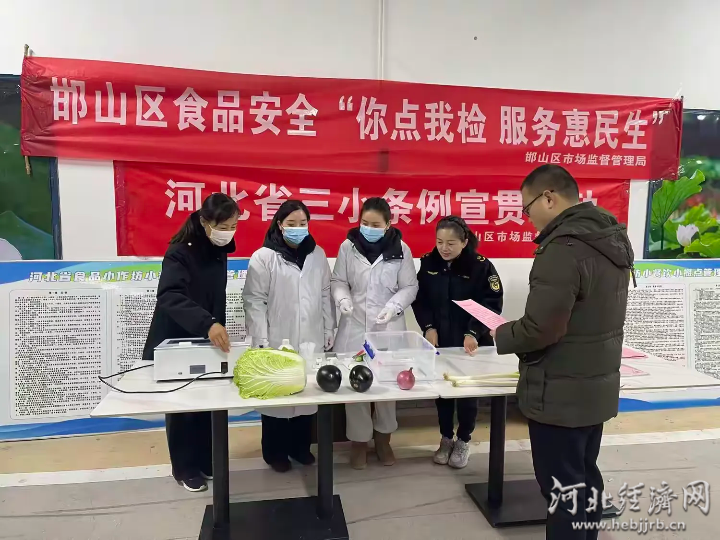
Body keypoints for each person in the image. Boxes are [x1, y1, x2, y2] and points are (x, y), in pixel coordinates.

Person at [491, 165, 634, 539]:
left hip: (559, 392)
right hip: (594, 388)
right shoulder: (609, 237)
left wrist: (502, 334)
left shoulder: (562, 249)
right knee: (584, 479)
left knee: (563, 491)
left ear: (549, 198)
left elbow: (542, 328)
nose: (527, 218)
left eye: (527, 208)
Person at [142, 193, 239, 492]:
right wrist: (207, 323)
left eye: (233, 226)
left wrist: (215, 325)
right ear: (204, 222)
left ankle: (206, 460)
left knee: (208, 401)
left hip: (207, 335)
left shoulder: (217, 250)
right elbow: (169, 295)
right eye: (222, 227)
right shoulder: (180, 251)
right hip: (179, 335)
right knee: (183, 405)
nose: (228, 232)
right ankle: (184, 468)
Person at [243, 200, 336, 473]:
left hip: (310, 336)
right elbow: (254, 300)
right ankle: (274, 453)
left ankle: (300, 448)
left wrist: (329, 328)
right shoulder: (264, 257)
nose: (297, 228)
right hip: (276, 337)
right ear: (279, 225)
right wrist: (260, 338)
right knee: (277, 397)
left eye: (302, 223)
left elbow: (325, 294)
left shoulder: (317, 254)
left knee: (306, 395)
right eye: (291, 224)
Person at [331, 197, 418, 470]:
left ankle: (383, 439)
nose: (369, 228)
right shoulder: (348, 247)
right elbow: (338, 280)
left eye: (376, 224)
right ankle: (359, 442)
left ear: (388, 224)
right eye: (365, 223)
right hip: (354, 326)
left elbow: (410, 287)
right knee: (354, 384)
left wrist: (393, 307)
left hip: (387, 328)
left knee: (387, 385)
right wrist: (343, 299)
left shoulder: (401, 249)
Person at [412, 216, 503, 469]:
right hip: (440, 340)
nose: (444, 248)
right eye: (439, 242)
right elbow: (420, 300)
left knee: (466, 393)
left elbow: (492, 303)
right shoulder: (429, 263)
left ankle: (463, 440)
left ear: (464, 242)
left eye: (451, 243)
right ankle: (445, 438)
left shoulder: (481, 266)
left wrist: (473, 332)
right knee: (442, 392)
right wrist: (428, 327)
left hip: (472, 343)